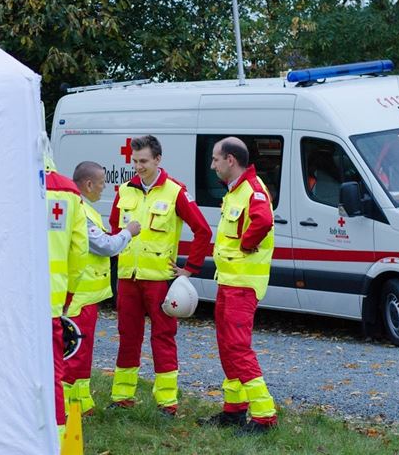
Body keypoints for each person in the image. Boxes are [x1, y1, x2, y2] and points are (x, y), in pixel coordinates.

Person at [108, 135, 212, 416]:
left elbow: (203, 231)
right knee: (128, 336)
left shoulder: (176, 191)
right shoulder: (124, 191)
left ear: (157, 160)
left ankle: (167, 403)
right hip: (128, 278)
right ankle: (121, 398)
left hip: (160, 281)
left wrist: (190, 269)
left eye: (143, 161)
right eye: (134, 161)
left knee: (163, 338)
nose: (138, 166)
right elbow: (114, 228)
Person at [198, 136, 278, 434]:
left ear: (230, 160)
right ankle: (234, 410)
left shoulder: (252, 191)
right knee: (227, 347)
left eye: (215, 159)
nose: (212, 165)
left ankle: (264, 415)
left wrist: (246, 244)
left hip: (242, 284)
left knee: (237, 348)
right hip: (230, 281)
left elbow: (262, 221)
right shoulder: (236, 191)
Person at [63, 161, 141, 416]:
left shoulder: (84, 208)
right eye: (101, 184)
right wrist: (128, 233)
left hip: (86, 296)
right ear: (88, 184)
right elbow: (105, 245)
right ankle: (65, 408)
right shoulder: (80, 210)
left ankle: (81, 404)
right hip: (77, 296)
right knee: (74, 354)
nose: (103, 189)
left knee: (83, 354)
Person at [45, 156, 88, 441]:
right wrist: (68, 293)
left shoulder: (3, 179)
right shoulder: (67, 191)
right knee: (52, 373)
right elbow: (79, 251)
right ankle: (58, 440)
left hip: (5, 303)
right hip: (51, 298)